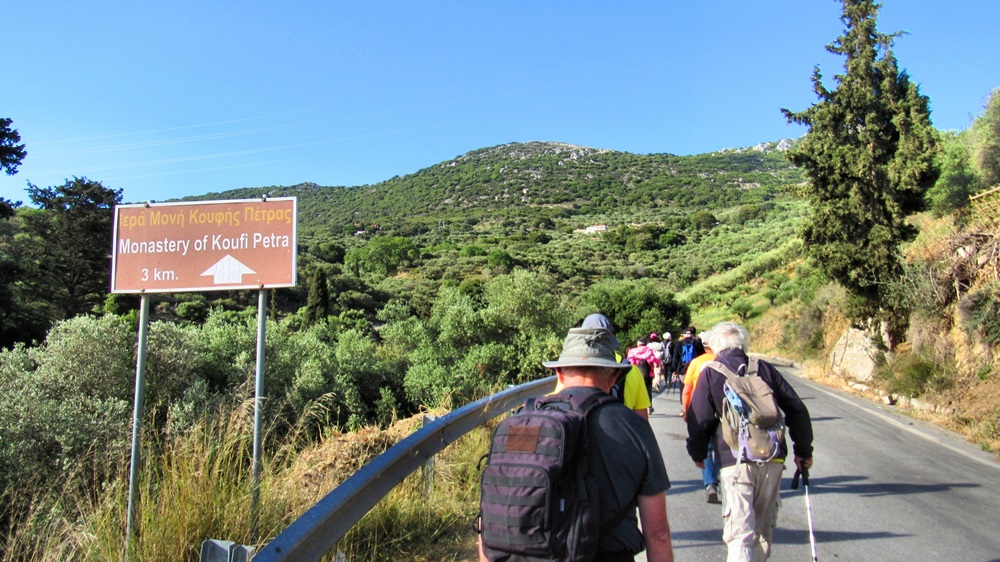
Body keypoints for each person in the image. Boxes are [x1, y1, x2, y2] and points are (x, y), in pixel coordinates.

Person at [479, 325, 675, 561]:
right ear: (613, 377)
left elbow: (490, 516)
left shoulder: (521, 422)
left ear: (559, 373)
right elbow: (658, 533)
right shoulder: (633, 426)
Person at [685, 322, 813, 562]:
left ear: (715, 346)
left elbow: (699, 419)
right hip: (773, 457)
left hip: (735, 459)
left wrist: (698, 453)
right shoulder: (764, 369)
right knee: (762, 530)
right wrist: (803, 451)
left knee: (740, 533)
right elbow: (797, 410)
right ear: (743, 344)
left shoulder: (711, 372)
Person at [553, 314, 652, 420]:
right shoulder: (632, 370)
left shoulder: (570, 369)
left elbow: (559, 403)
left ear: (559, 374)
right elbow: (642, 422)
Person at [680, 330, 720, 504]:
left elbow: (687, 390)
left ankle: (710, 483)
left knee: (707, 447)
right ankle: (723, 479)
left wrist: (687, 410)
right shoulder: (722, 361)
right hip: (722, 409)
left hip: (701, 409)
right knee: (723, 446)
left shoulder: (696, 363)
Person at [627, 336, 663, 414]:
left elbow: (629, 361)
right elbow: (652, 359)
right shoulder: (648, 350)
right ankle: (649, 407)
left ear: (637, 343)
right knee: (648, 391)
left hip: (635, 374)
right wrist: (659, 363)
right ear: (646, 343)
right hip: (647, 374)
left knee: (635, 391)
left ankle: (634, 406)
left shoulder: (632, 351)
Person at [670, 327, 705, 403]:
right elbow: (702, 355)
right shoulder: (697, 342)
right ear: (692, 334)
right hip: (695, 368)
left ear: (684, 335)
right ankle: (693, 405)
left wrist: (674, 370)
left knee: (683, 388)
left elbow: (676, 357)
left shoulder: (679, 343)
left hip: (682, 369)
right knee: (694, 387)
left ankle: (683, 407)